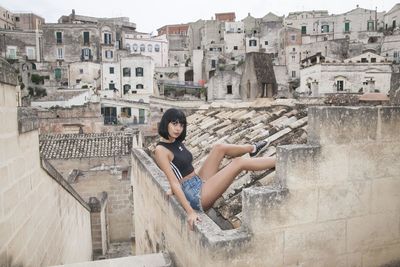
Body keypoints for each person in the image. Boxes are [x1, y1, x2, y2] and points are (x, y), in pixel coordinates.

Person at [154, 108, 276, 230]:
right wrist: (190, 212)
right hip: (195, 196)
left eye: (181, 125)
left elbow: (180, 169)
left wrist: (176, 189)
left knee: (219, 147)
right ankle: (279, 160)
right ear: (166, 123)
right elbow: (174, 181)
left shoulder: (176, 141)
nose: (178, 128)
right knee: (238, 162)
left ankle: (252, 148)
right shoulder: (161, 150)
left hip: (198, 180)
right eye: (174, 124)